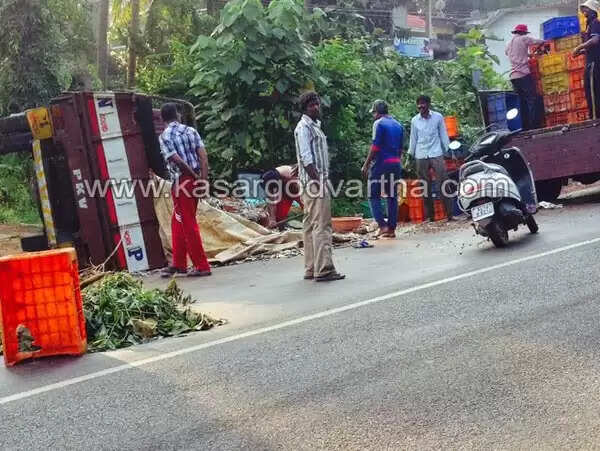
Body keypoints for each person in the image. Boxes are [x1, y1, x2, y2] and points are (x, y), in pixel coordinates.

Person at [294, 91, 345, 282]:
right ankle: (324, 269)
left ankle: (311, 267)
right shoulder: (304, 127)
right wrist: (318, 182)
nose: (316, 107)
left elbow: (304, 156)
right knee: (322, 225)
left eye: (317, 104)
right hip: (314, 183)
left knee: (310, 225)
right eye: (311, 105)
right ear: (305, 108)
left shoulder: (314, 126)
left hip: (311, 181)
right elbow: (307, 158)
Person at [158, 103, 212, 278]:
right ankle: (179, 263)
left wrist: (193, 176)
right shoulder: (191, 131)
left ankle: (202, 266)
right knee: (178, 220)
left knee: (188, 223)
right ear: (178, 115)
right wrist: (202, 180)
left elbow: (178, 161)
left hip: (182, 181)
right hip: (195, 180)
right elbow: (203, 157)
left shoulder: (165, 136)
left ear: (162, 118)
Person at [408, 95, 454, 222]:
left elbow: (443, 134)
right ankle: (430, 217)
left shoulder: (438, 117)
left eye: (423, 104)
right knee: (424, 186)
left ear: (428, 104)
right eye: (419, 104)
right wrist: (410, 155)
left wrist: (448, 150)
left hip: (436, 152)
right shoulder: (414, 120)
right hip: (421, 154)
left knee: (443, 182)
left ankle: (450, 214)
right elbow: (413, 138)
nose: (420, 106)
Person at [361, 100, 403, 238]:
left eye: (373, 113)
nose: (373, 116)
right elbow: (400, 149)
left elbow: (375, 146)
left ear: (377, 112)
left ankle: (382, 225)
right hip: (395, 163)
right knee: (392, 196)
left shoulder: (378, 124)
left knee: (373, 195)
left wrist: (366, 164)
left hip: (382, 163)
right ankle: (391, 229)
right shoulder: (398, 125)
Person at [505, 24, 545, 130]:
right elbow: (538, 41)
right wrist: (544, 41)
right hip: (523, 75)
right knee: (532, 100)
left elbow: (508, 53)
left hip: (513, 77)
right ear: (523, 32)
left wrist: (526, 55)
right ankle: (534, 126)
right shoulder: (524, 38)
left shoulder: (508, 43)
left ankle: (525, 127)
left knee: (522, 102)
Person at [574, 0, 600, 120]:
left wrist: (579, 47)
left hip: (594, 63)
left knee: (593, 90)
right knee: (591, 89)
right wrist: (581, 52)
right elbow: (593, 46)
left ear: (592, 11)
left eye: (586, 8)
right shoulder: (589, 25)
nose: (583, 11)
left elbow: (595, 40)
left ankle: (595, 117)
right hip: (591, 60)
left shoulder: (595, 23)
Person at [260, 164, 302, 229]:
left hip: (294, 186)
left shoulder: (292, 178)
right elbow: (271, 201)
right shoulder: (269, 179)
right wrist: (272, 219)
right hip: (283, 188)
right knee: (278, 217)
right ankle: (278, 227)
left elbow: (301, 196)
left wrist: (306, 207)